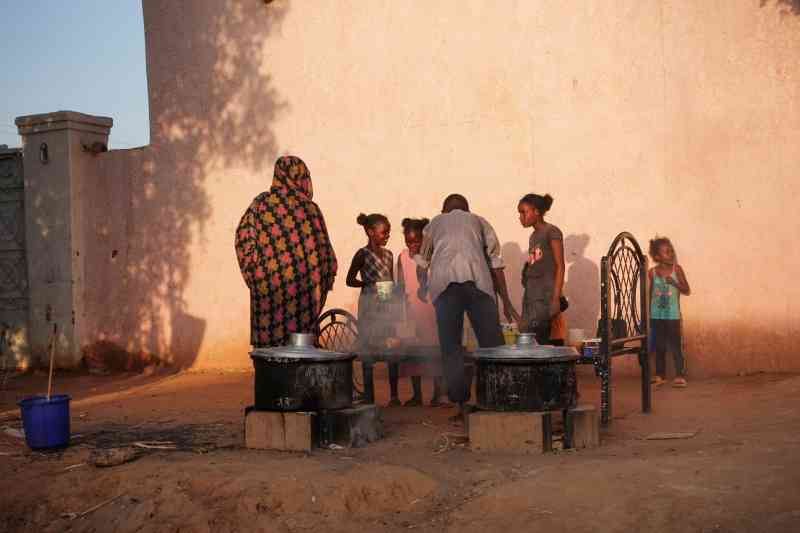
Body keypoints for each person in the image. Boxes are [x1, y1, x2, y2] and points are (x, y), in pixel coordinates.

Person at [415, 194, 520, 423]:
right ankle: (497, 398)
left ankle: (461, 404)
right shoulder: (480, 221)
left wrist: (423, 287)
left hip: (445, 288)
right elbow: (495, 265)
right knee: (492, 346)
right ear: (467, 209)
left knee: (451, 349)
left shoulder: (435, 223)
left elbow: (422, 264)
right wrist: (507, 302)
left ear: (445, 210)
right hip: (478, 285)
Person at [235, 155, 337, 347]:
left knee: (269, 362)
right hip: (304, 301)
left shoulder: (260, 206)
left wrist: (257, 277)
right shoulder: (310, 210)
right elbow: (326, 256)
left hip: (268, 298)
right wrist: (317, 283)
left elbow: (243, 242)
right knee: (301, 357)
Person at [345, 213, 399, 404]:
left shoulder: (389, 254)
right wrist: (367, 284)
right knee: (368, 351)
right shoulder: (362, 254)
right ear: (370, 232)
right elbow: (349, 280)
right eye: (384, 232)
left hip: (386, 306)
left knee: (392, 350)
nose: (387, 236)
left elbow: (390, 280)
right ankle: (369, 397)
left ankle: (394, 397)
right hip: (368, 307)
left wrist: (392, 295)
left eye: (388, 233)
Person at [394, 217, 444, 407]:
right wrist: (401, 310)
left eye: (416, 242)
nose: (412, 245)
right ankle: (416, 395)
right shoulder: (402, 257)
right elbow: (400, 285)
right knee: (412, 352)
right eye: (409, 242)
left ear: (424, 239)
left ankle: (437, 393)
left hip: (432, 309)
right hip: (412, 310)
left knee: (434, 350)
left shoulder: (433, 256)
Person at [517, 193, 565, 344]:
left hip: (545, 297)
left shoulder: (552, 232)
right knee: (530, 338)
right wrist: (527, 273)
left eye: (524, 212)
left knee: (543, 341)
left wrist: (556, 299)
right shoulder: (533, 237)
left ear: (536, 211)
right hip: (532, 297)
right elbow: (536, 262)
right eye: (519, 213)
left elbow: (560, 266)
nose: (521, 217)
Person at [648, 236, 691, 388]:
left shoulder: (677, 270)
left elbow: (687, 290)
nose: (671, 254)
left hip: (672, 316)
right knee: (659, 346)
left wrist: (675, 283)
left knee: (675, 345)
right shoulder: (652, 273)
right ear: (658, 257)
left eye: (671, 250)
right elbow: (649, 294)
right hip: (656, 316)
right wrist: (647, 315)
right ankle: (660, 375)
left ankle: (680, 375)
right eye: (667, 252)